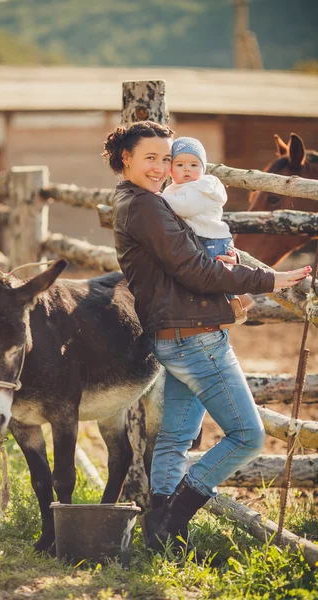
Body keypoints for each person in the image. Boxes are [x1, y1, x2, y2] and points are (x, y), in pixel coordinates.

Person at [102, 120, 311, 556]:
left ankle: (160, 537)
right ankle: (173, 518)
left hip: (178, 335)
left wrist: (224, 262)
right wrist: (269, 279)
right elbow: (195, 269)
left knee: (176, 440)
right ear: (126, 158)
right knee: (248, 436)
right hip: (196, 340)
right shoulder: (145, 207)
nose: (161, 168)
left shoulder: (142, 201)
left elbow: (187, 258)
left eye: (166, 159)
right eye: (151, 159)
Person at [161, 136, 253, 326]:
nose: (187, 169)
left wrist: (156, 199)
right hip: (204, 238)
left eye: (194, 164)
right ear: (170, 169)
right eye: (179, 164)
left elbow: (185, 208)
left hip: (212, 240)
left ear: (203, 168)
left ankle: (235, 306)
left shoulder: (202, 187)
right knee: (216, 276)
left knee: (214, 277)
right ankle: (235, 303)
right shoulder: (175, 189)